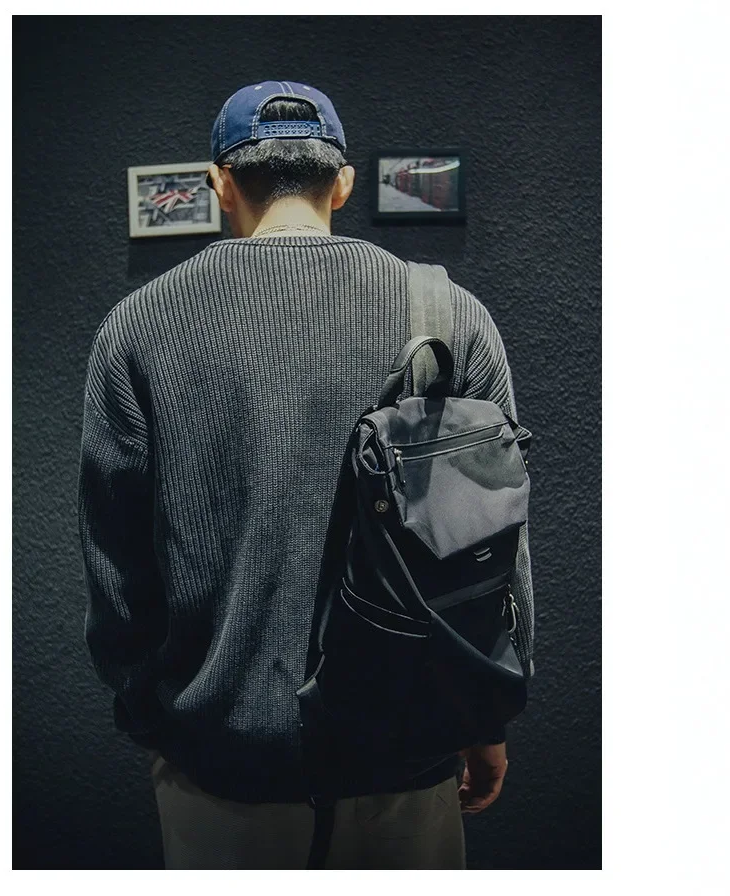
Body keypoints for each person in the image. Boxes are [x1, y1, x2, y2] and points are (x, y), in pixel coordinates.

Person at [76, 79, 535, 870]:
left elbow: (115, 570)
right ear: (343, 183)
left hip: (219, 768)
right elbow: (497, 549)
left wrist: (156, 715)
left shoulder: (137, 327)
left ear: (221, 184)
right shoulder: (452, 317)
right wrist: (483, 716)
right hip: (405, 750)